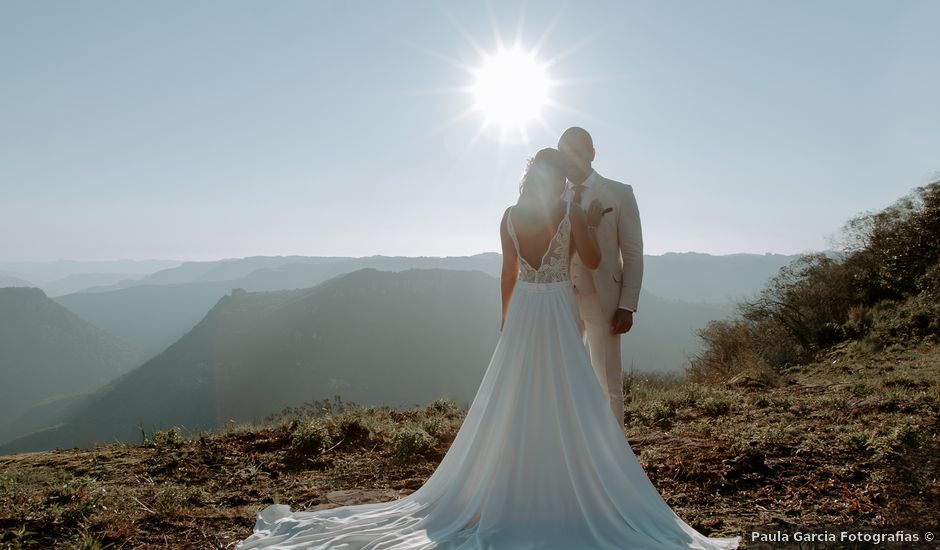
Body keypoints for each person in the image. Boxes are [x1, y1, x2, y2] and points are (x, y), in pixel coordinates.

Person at [234, 148, 740, 549]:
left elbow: (508, 274)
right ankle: (566, 481)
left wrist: (505, 322)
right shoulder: (569, 209)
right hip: (559, 312)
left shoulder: (509, 215)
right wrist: (582, 219)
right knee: (570, 395)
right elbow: (590, 257)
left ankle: (509, 480)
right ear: (556, 179)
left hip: (524, 311)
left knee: (513, 398)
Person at [559, 126, 643, 425]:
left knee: (608, 381)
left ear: (592, 154)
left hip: (603, 300)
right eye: (564, 154)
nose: (570, 161)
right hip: (562, 298)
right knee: (564, 378)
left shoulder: (619, 193)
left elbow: (632, 254)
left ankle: (614, 455)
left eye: (576, 153)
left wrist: (627, 304)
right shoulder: (556, 198)